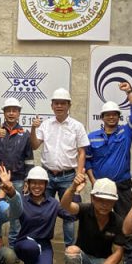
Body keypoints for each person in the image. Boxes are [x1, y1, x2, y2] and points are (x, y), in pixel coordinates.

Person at [30, 87, 89, 247]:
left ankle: (69, 248)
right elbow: (35, 145)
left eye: (63, 103)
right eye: (56, 103)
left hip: (68, 177)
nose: (59, 106)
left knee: (69, 214)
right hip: (47, 176)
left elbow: (82, 151)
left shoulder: (77, 126)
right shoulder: (46, 125)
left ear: (69, 105)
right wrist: (34, 128)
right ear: (52, 106)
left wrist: (79, 175)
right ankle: (40, 245)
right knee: (42, 211)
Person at [60, 176, 125, 264]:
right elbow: (65, 205)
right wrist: (73, 188)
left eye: (109, 201)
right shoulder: (85, 210)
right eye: (100, 200)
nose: (104, 205)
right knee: (71, 251)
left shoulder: (118, 221)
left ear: (114, 202)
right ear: (92, 198)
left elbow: (118, 253)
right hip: (83, 258)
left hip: (103, 261)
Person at [14, 166, 75, 264]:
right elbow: (8, 211)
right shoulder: (21, 201)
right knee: (31, 248)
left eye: (41, 183)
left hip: (44, 244)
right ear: (28, 184)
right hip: (24, 243)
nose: (37, 186)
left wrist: (76, 193)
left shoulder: (53, 203)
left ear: (46, 184)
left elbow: (71, 215)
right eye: (34, 183)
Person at [85, 81, 132, 218]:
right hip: (100, 187)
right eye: (107, 114)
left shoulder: (126, 132)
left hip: (122, 186)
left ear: (118, 116)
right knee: (97, 223)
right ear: (102, 117)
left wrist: (129, 92)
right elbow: (88, 162)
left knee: (124, 222)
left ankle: (124, 241)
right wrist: (94, 182)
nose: (111, 117)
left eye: (114, 114)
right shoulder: (92, 137)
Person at [0, 97, 34, 247]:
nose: (11, 113)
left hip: (17, 180)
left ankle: (14, 248)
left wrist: (28, 179)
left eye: (14, 110)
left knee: (16, 216)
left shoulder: (25, 134)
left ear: (19, 113)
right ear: (4, 113)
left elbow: (29, 159)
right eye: (8, 110)